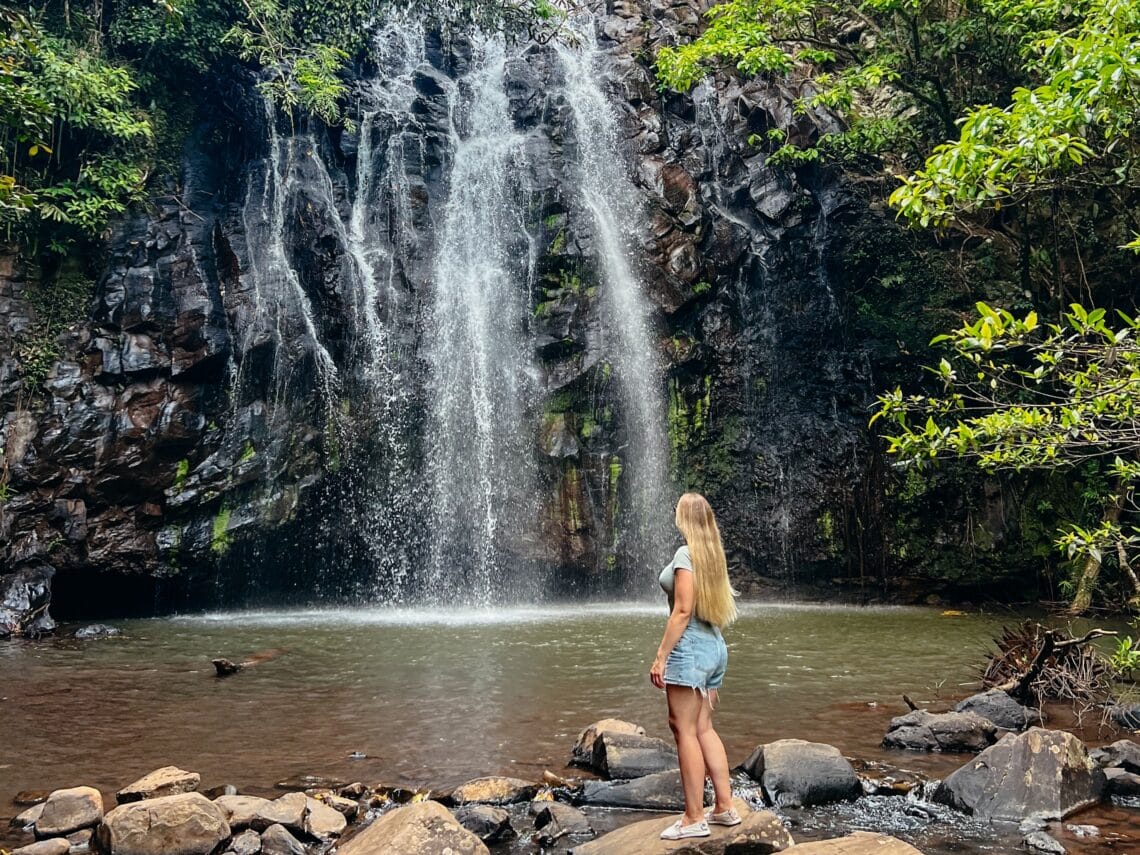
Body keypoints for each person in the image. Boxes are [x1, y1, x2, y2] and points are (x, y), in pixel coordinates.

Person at [650, 492, 740, 840]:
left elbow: (683, 610)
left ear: (683, 517)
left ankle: (693, 817)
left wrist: (661, 656)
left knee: (683, 729)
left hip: (690, 649)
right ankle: (725, 808)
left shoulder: (686, 554)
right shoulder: (712, 555)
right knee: (703, 727)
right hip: (714, 645)